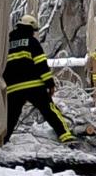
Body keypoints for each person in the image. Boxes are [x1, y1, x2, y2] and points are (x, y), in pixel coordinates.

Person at [4, 15, 75, 144]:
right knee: (50, 111)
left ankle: (2, 141)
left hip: (13, 88)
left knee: (10, 117)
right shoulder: (32, 42)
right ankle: (66, 136)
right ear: (30, 28)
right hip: (34, 85)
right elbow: (41, 64)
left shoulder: (6, 44)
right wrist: (50, 83)